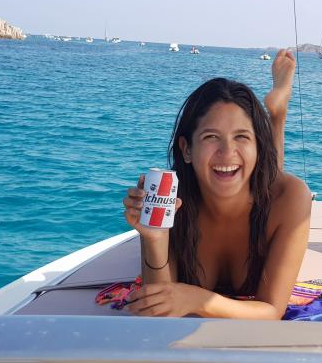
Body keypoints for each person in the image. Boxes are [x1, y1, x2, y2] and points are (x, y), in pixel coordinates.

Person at [123, 49, 311, 319]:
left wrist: (200, 300)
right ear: (186, 149)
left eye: (242, 136)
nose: (226, 151)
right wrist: (154, 237)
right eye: (211, 136)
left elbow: (271, 312)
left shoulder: (292, 197)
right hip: (236, 180)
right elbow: (159, 304)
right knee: (241, 169)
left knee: (268, 180)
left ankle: (277, 113)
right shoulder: (171, 201)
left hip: (266, 188)